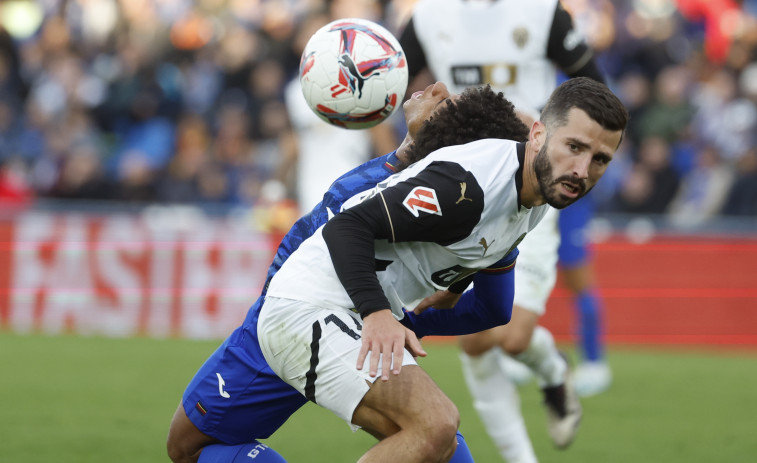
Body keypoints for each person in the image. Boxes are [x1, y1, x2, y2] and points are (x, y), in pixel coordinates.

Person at [167, 81, 531, 463]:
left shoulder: (397, 186)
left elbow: (336, 238)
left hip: (298, 314)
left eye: (450, 101)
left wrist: (391, 316)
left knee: (189, 448)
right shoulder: (480, 207)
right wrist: (411, 319)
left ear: (453, 137)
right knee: (434, 440)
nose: (438, 86)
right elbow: (493, 308)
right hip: (339, 317)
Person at [399, 0, 613, 459]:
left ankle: (553, 368)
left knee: (512, 336)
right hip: (460, 189)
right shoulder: (427, 18)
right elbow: (392, 84)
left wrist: (556, 139)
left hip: (532, 182)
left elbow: (594, 88)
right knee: (476, 342)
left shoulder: (541, 12)